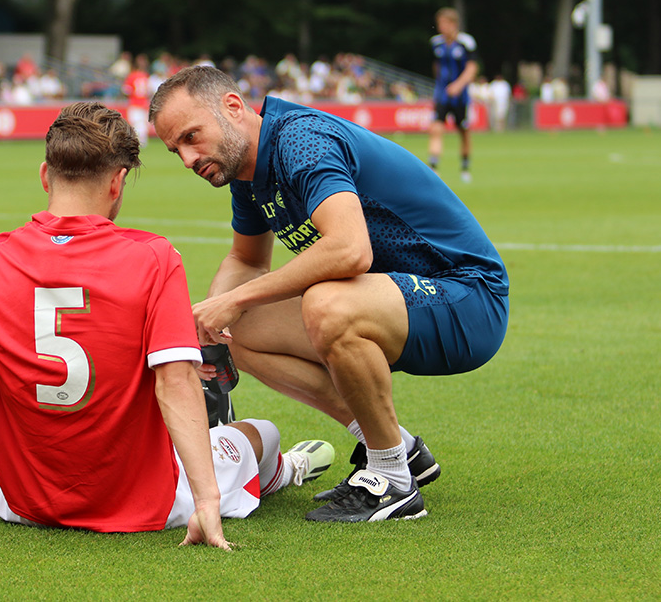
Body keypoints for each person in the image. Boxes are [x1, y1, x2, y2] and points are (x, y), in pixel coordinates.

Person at [0, 102, 334, 547]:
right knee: (261, 434)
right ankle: (284, 470)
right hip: (146, 502)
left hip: (23, 503)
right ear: (117, 182)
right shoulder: (153, 258)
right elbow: (174, 384)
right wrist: (207, 502)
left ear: (46, 174)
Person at [149, 66, 509, 523]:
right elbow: (246, 261)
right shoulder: (247, 173)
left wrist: (236, 300)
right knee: (238, 329)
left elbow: (350, 248)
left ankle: (392, 481)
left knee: (325, 303)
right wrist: (208, 329)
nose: (186, 158)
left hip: (466, 297)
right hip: (397, 301)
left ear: (233, 108)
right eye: (175, 148)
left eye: (191, 136)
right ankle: (398, 447)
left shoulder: (300, 139)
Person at [428, 7, 478, 183]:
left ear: (453, 24)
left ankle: (465, 167)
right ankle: (433, 167)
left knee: (463, 131)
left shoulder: (466, 42)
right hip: (442, 95)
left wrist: (458, 85)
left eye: (443, 23)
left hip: (461, 96)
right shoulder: (436, 43)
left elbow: (472, 68)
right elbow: (437, 67)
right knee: (436, 128)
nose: (440, 27)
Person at [122, 54, 151, 147]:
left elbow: (126, 90)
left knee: (134, 123)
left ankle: (136, 141)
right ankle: (143, 141)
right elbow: (149, 91)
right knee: (142, 123)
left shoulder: (132, 76)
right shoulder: (146, 76)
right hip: (144, 102)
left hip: (134, 102)